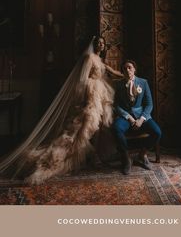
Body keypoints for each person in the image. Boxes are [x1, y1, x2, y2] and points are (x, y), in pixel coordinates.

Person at [0, 36, 122, 184]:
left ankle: (93, 154)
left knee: (96, 126)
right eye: (98, 43)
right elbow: (82, 80)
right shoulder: (89, 57)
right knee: (85, 127)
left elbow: (112, 71)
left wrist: (130, 76)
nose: (101, 45)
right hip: (91, 95)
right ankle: (80, 156)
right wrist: (85, 98)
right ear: (94, 44)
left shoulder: (100, 59)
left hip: (100, 94)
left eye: (102, 43)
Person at [113, 59, 162, 175]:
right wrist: (128, 117)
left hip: (141, 116)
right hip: (126, 116)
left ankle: (143, 153)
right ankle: (126, 158)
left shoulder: (143, 82)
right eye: (125, 69)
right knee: (116, 129)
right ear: (122, 72)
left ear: (134, 69)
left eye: (129, 67)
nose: (127, 70)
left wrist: (141, 119)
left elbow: (149, 104)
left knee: (157, 132)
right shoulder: (119, 84)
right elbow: (116, 105)